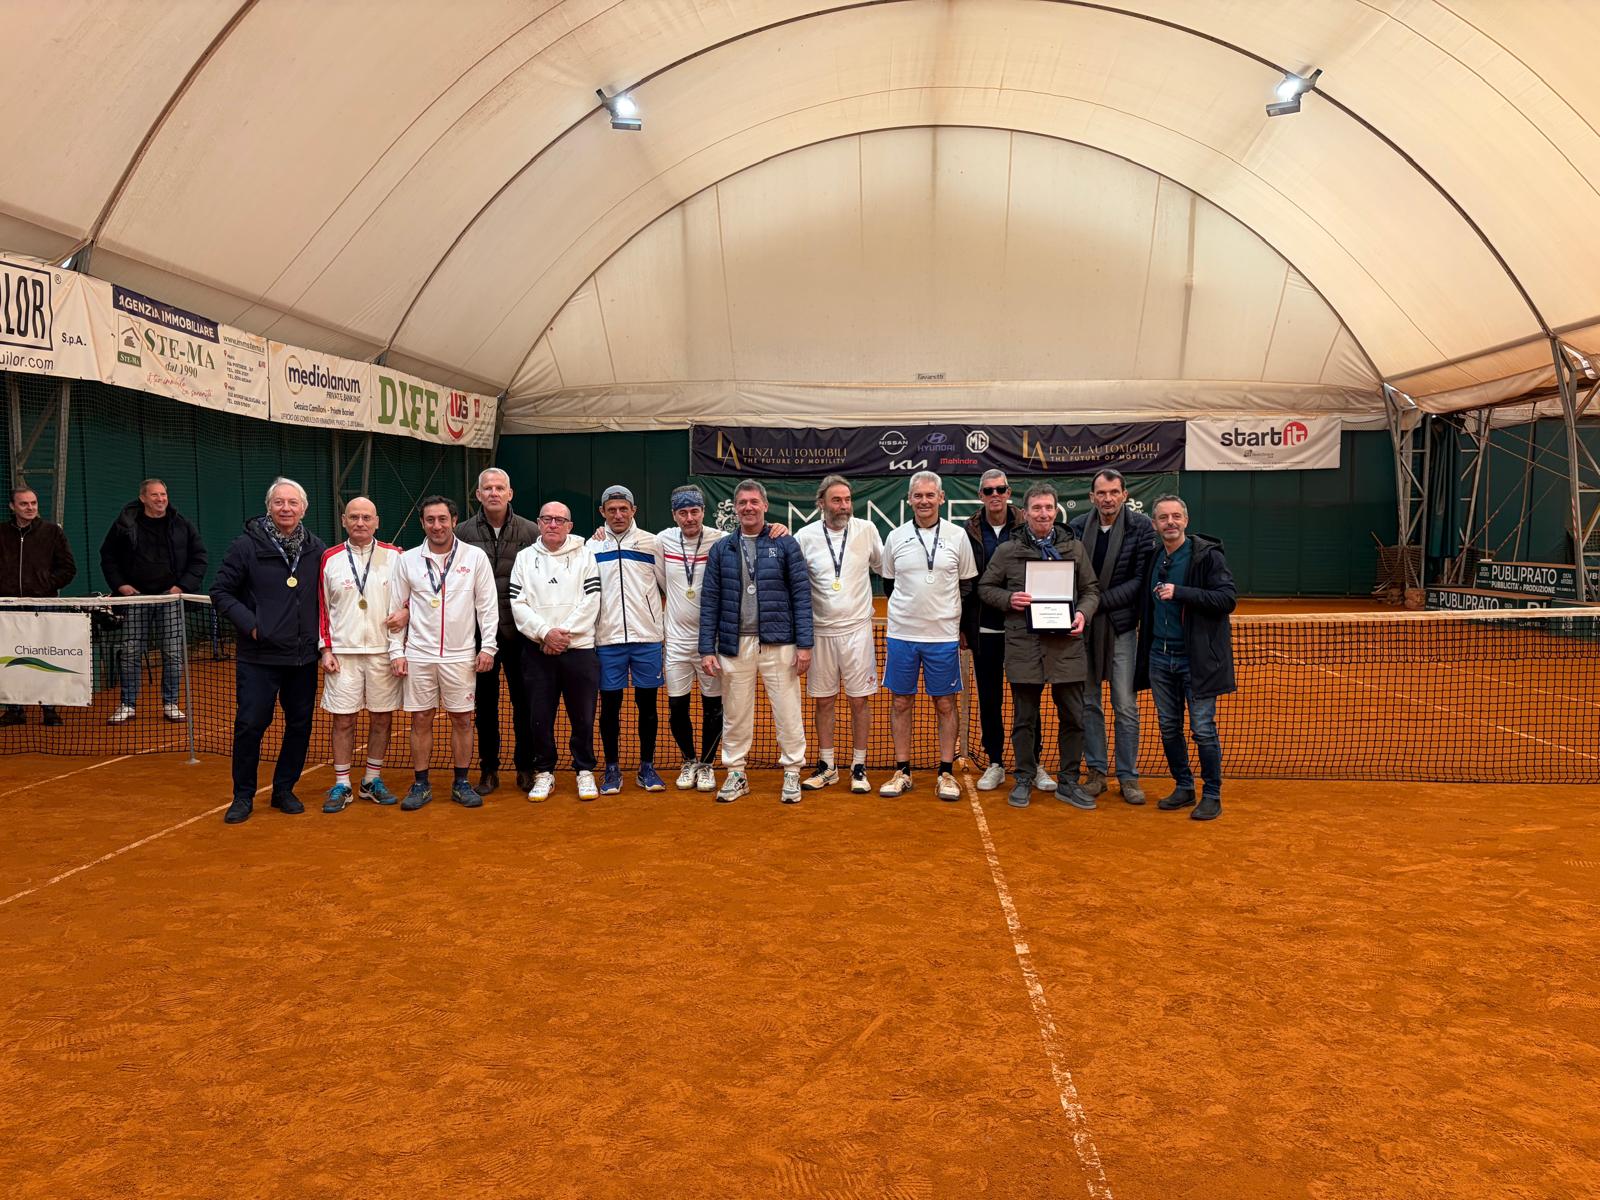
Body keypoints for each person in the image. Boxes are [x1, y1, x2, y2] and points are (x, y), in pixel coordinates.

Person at [211, 478, 327, 825]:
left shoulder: (317, 549)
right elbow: (221, 592)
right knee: (250, 725)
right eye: (279, 502)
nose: (286, 508)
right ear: (269, 507)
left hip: (302, 657)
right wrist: (253, 625)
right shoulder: (245, 546)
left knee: (300, 725)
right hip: (258, 657)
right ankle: (243, 796)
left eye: (292, 503)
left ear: (303, 509)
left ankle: (284, 790)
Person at [978, 482, 1101, 809]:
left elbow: (1091, 590)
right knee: (1024, 719)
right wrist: (1009, 599)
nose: (1043, 514)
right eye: (1036, 508)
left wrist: (1082, 614)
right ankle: (1023, 778)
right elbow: (985, 587)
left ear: (1056, 511)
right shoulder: (1008, 550)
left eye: (1048, 507)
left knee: (1074, 718)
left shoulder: (1075, 548)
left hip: (1067, 646)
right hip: (1024, 646)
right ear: (1025, 512)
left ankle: (1069, 781)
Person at [698, 479, 813, 804]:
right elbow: (710, 600)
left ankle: (792, 771)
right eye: (742, 503)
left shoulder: (785, 543)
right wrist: (707, 648)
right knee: (735, 714)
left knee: (788, 710)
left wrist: (805, 644)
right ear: (735, 508)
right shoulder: (722, 549)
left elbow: (801, 595)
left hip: (780, 643)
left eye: (754, 502)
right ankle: (736, 773)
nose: (748, 507)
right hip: (735, 645)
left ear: (764, 505)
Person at [390, 496, 499, 812]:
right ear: (422, 523)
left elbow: (487, 606)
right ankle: (421, 784)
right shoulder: (407, 560)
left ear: (454, 521)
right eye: (430, 520)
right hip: (419, 654)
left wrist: (488, 646)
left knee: (462, 719)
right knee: (421, 718)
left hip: (460, 655)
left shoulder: (475, 557)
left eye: (442, 519)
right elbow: (396, 608)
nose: (436, 526)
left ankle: (461, 783)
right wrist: (397, 651)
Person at [1136, 495, 1236, 822]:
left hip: (1197, 660)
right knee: (1168, 727)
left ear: (1186, 520)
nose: (1170, 522)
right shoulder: (1153, 557)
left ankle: (1212, 794)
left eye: (1176, 516)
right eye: (1164, 517)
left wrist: (1180, 592)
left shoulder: (1207, 557)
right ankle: (1183, 786)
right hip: (1159, 658)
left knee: (1203, 729)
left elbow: (1226, 599)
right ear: (1154, 524)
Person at [879, 470, 977, 801]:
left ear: (941, 498)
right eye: (918, 495)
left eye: (930, 495)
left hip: (943, 637)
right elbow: (889, 583)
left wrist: (956, 624)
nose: (924, 501)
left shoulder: (957, 536)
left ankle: (945, 772)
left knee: (945, 703)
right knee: (901, 701)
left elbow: (967, 585)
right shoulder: (895, 537)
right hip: (902, 634)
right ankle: (902, 771)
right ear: (909, 499)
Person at [1068, 469, 1156, 805]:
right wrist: (1086, 608)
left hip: (1121, 628)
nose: (1108, 498)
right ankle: (1096, 772)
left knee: (1125, 705)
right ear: (1092, 496)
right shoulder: (1077, 527)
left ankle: (1128, 776)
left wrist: (1094, 603)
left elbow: (1140, 580)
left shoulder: (1141, 527)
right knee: (1089, 703)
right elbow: (1071, 575)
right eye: (1101, 493)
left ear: (1124, 495)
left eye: (1114, 492)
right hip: (1084, 629)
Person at [963, 468, 1051, 794]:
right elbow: (965, 582)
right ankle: (996, 762)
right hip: (985, 627)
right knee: (990, 698)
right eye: (988, 490)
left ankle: (1033, 761)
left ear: (1009, 492)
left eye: (1000, 489)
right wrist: (964, 627)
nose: (995, 495)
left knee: (1027, 698)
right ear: (981, 495)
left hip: (1025, 629)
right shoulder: (969, 531)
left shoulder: (1027, 525)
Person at [794, 474, 883, 793]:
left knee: (859, 701)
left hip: (858, 631)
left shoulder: (867, 529)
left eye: (847, 499)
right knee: (824, 702)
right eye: (837, 500)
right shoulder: (804, 536)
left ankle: (859, 766)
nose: (844, 505)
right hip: (820, 633)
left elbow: (883, 567)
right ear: (821, 503)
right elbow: (795, 583)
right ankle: (827, 765)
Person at [316, 496, 405, 812]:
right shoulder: (330, 558)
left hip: (384, 653)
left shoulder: (396, 557)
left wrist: (405, 617)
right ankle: (342, 784)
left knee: (382, 718)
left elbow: (410, 599)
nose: (360, 523)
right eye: (354, 517)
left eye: (367, 517)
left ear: (377, 522)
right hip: (343, 654)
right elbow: (322, 607)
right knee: (343, 721)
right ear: (344, 520)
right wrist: (325, 648)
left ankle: (371, 780)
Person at [456, 467, 540, 797]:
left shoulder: (531, 531)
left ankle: (526, 767)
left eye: (499, 487)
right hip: (478, 637)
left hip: (521, 634)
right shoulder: (461, 532)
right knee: (485, 706)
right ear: (478, 494)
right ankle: (488, 769)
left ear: (510, 493)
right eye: (487, 488)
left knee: (525, 703)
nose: (493, 493)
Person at [510, 501, 602, 801]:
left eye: (559, 520)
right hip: (538, 651)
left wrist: (561, 635)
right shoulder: (524, 558)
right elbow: (518, 603)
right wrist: (544, 634)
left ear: (569, 526)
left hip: (579, 650)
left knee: (583, 716)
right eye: (547, 519)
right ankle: (544, 772)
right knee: (539, 716)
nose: (553, 524)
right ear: (538, 523)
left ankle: (584, 771)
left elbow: (591, 600)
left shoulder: (586, 555)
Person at [99, 478, 207, 723]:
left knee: (173, 653)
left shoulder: (181, 524)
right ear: (143, 498)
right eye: (155, 495)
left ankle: (171, 703)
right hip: (135, 599)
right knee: (130, 652)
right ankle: (127, 704)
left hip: (170, 599)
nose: (160, 499)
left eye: (163, 494)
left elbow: (199, 557)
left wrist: (181, 587)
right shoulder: (125, 524)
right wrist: (120, 585)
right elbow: (108, 555)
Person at [591, 485, 666, 795]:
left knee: (647, 706)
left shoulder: (652, 543)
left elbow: (667, 586)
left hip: (647, 638)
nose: (618, 515)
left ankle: (647, 766)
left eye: (624, 509)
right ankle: (612, 768)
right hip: (607, 640)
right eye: (612, 510)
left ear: (634, 510)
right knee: (610, 708)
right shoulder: (591, 546)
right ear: (602, 512)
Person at [654, 485, 726, 794]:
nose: (689, 518)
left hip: (712, 644)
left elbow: (755, 537)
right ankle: (689, 760)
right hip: (676, 643)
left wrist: (777, 528)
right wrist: (601, 533)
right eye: (682, 513)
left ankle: (707, 764)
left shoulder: (721, 540)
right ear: (674, 515)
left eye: (695, 511)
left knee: (713, 706)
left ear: (703, 512)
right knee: (677, 707)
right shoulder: (662, 540)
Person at [0, 485, 77, 726]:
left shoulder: (53, 532)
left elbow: (68, 569)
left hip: (43, 605)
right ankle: (14, 709)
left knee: (45, 656)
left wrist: (45, 586)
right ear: (12, 507)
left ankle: (49, 709)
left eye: (33, 503)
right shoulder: (1, 533)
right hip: (8, 606)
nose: (30, 507)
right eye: (24, 504)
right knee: (9, 658)